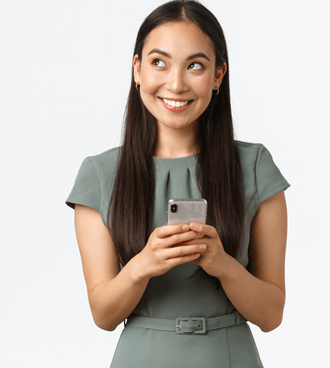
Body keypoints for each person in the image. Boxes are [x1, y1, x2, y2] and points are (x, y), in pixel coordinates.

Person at [65, 1, 289, 367]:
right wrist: (144, 264)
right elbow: (103, 316)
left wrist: (222, 264)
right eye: (159, 62)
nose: (176, 83)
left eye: (195, 66)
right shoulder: (101, 174)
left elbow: (271, 314)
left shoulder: (254, 166)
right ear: (137, 69)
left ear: (218, 76)